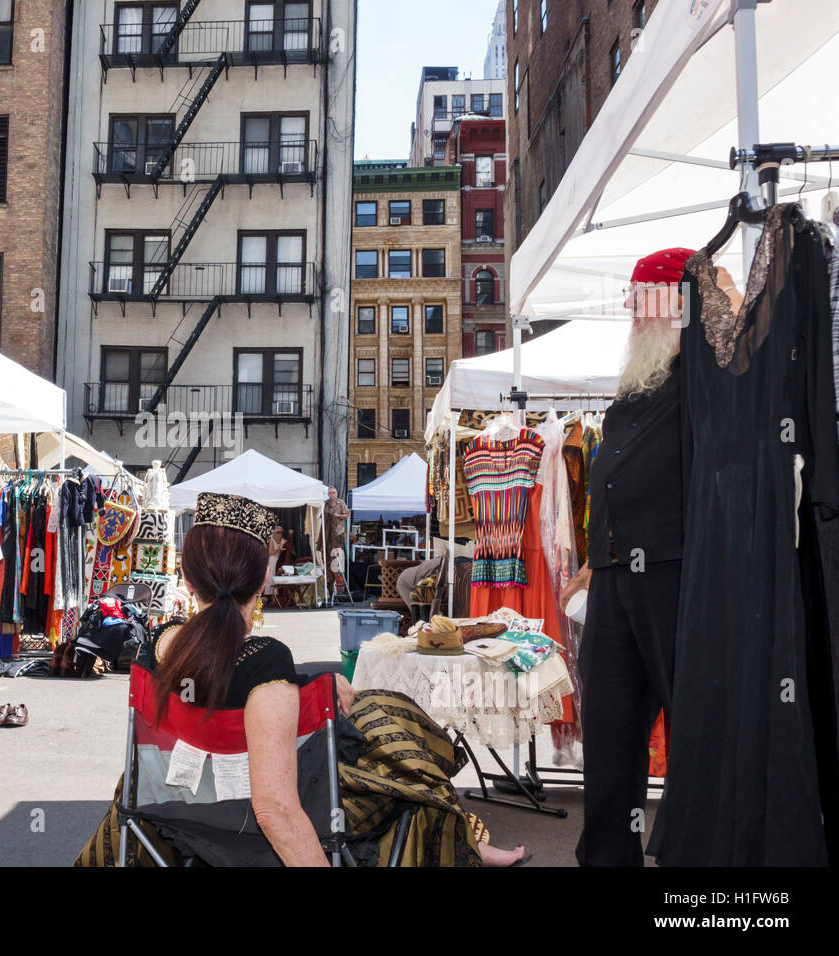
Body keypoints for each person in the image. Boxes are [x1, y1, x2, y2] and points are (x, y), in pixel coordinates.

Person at [76, 492, 527, 867]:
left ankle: (472, 838)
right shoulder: (265, 662)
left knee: (378, 720)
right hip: (249, 828)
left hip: (181, 812)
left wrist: (311, 680)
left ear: (188, 580)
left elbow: (229, 671)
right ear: (263, 577)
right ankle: (466, 838)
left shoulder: (163, 646)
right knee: (398, 753)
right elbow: (275, 811)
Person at [559, 247, 695, 867]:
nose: (629, 311)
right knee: (610, 731)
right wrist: (590, 565)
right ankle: (609, 857)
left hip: (677, 574)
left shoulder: (706, 379)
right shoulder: (630, 397)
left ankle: (699, 858)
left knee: (695, 727)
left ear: (674, 302)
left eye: (641, 298)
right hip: (614, 582)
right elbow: (609, 493)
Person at [324, 486, 350, 555]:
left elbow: (347, 515)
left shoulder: (341, 502)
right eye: (330, 493)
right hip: (327, 531)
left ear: (336, 493)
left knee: (338, 551)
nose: (332, 494)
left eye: (333, 492)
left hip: (338, 532)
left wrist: (338, 515)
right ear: (328, 494)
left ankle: (339, 565)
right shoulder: (325, 503)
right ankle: (328, 565)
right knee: (328, 550)